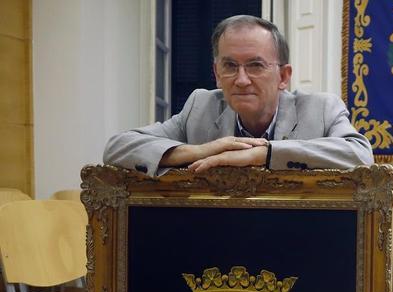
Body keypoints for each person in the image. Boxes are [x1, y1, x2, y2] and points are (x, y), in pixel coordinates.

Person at [104, 15, 373, 175]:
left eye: (256, 65)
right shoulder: (201, 107)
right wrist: (195, 152)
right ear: (217, 74)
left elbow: (360, 155)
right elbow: (118, 147)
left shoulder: (320, 109)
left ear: (283, 76)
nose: (242, 80)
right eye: (230, 66)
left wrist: (265, 154)